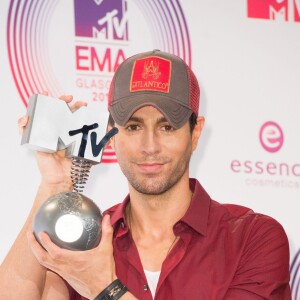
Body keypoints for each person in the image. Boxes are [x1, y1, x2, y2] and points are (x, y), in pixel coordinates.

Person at [0, 50, 291, 299]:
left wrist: (104, 288)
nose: (149, 147)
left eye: (167, 127)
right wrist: (55, 184)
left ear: (195, 132)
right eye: (133, 127)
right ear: (111, 136)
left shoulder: (252, 237)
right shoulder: (86, 240)